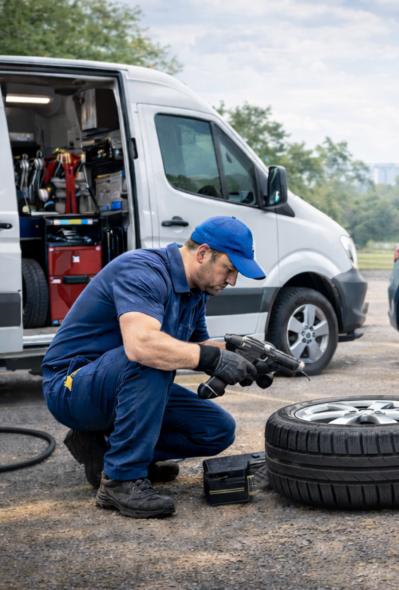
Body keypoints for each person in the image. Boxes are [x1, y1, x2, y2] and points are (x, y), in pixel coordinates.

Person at [41, 216, 265, 518]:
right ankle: (121, 479)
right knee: (150, 357)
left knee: (217, 430)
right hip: (71, 387)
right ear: (202, 253)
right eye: (229, 269)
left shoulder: (195, 292)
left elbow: (198, 349)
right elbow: (141, 346)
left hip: (122, 380)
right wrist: (213, 359)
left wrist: (246, 355)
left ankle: (103, 447)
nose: (232, 281)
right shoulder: (143, 271)